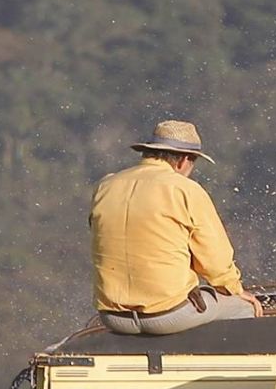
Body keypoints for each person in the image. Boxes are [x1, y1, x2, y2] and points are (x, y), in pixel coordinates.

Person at [90, 120, 262, 335]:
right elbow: (215, 260)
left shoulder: (106, 186)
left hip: (113, 317)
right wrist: (234, 289)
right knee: (244, 308)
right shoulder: (185, 189)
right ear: (183, 160)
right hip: (167, 316)